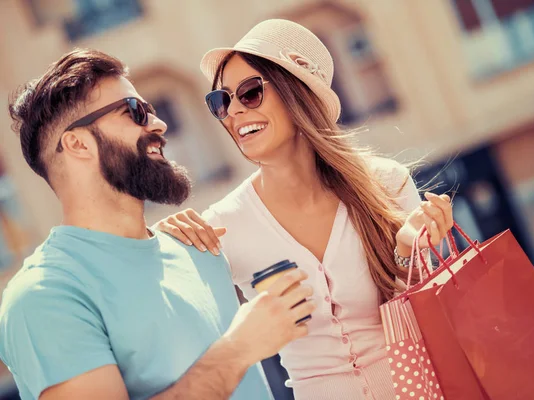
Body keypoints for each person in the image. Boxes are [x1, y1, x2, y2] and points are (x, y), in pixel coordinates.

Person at [156, 19, 454, 400]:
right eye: (221, 101)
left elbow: (427, 315)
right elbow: (182, 332)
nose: (232, 112)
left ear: (294, 93)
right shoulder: (222, 226)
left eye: (248, 93)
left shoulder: (386, 184)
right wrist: (165, 241)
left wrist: (407, 252)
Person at [0, 48, 315, 400]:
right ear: (77, 144)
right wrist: (238, 350)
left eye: (148, 110)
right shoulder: (44, 297)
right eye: (134, 112)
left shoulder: (196, 249)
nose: (159, 124)